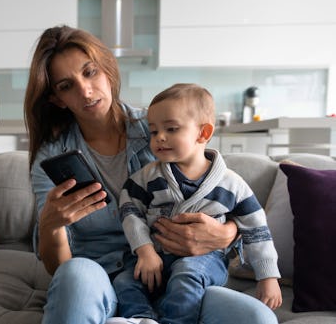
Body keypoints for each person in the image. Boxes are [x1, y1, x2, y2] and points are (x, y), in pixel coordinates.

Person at [24, 25, 278, 324]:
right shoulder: (52, 157)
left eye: (90, 72)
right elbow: (60, 268)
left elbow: (221, 191)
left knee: (257, 318)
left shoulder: (161, 127)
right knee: (75, 274)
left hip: (179, 278)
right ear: (57, 99)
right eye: (67, 86)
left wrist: (227, 233)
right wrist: (51, 227)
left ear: (107, 69)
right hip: (100, 277)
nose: (85, 91)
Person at [116, 83, 282, 324]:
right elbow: (129, 210)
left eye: (171, 129)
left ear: (203, 133)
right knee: (123, 282)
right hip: (155, 260)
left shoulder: (232, 185)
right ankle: (141, 318)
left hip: (204, 262)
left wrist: (268, 277)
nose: (160, 137)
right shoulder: (146, 178)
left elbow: (256, 229)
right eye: (153, 131)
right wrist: (145, 250)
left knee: (187, 275)